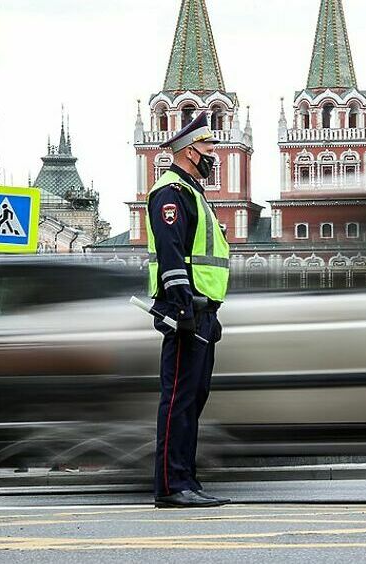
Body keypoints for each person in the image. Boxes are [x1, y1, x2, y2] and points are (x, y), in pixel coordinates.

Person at [146, 112, 231, 508]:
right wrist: (183, 308)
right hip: (186, 312)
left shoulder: (191, 193)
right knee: (179, 398)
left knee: (193, 399)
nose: (214, 153)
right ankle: (171, 485)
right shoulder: (171, 192)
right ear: (190, 151)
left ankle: (187, 480)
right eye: (209, 147)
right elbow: (171, 255)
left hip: (201, 311)